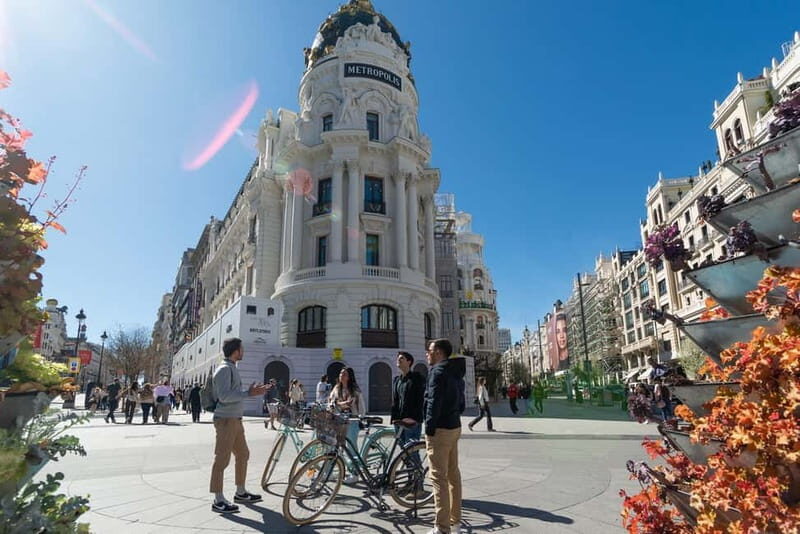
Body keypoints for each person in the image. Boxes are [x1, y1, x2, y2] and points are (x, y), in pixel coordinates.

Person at [209, 337, 269, 514]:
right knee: (222, 459)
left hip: (235, 419)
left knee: (243, 454)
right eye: (242, 349)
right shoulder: (224, 369)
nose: (244, 352)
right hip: (226, 420)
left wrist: (251, 392)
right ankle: (218, 499)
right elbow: (224, 396)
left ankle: (240, 492)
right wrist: (248, 393)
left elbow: (232, 394)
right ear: (236, 351)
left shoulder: (232, 368)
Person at [424, 338, 466, 534]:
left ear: (439, 352)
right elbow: (462, 403)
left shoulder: (437, 372)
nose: (427, 353)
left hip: (440, 430)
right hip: (454, 426)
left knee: (438, 478)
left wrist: (429, 428)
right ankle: (455, 523)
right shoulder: (456, 372)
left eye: (430, 350)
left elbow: (433, 401)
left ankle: (442, 528)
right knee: (453, 475)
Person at [329, 367, 365, 484]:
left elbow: (349, 404)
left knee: (351, 448)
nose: (341, 375)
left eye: (344, 374)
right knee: (333, 446)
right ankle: (329, 472)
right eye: (341, 373)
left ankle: (354, 474)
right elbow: (331, 401)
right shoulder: (337, 388)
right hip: (338, 420)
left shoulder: (354, 389)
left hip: (352, 420)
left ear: (349, 377)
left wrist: (338, 404)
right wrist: (337, 404)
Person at [391, 351, 425, 445]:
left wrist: (414, 418)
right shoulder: (397, 380)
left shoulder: (416, 378)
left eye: (401, 358)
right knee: (402, 449)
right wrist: (394, 419)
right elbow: (395, 401)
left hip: (411, 421)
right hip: (399, 421)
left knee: (411, 449)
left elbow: (420, 399)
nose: (398, 360)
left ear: (409, 362)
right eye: (398, 358)